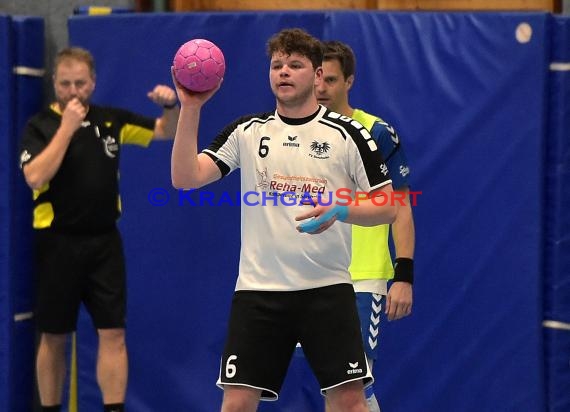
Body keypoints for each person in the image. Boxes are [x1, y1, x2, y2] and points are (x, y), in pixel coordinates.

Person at [171, 28, 398, 411]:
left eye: (295, 64)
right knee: (238, 402)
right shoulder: (248, 131)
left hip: (327, 290)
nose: (284, 72)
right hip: (259, 293)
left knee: (349, 401)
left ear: (317, 75)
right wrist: (190, 108)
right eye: (277, 65)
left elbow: (387, 206)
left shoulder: (349, 134)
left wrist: (341, 209)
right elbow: (185, 178)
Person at [19, 46, 179, 412]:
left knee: (113, 332)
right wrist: (67, 128)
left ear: (92, 82)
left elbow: (163, 133)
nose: (73, 91)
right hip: (57, 243)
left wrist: (170, 107)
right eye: (64, 84)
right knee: (54, 335)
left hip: (104, 243)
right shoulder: (39, 126)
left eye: (80, 83)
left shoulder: (111, 120)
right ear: (55, 84)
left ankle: (114, 408)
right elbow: (35, 176)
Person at [314, 40, 415, 411]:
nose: (321, 88)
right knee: (334, 386)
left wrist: (403, 275)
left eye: (331, 80)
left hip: (361, 277)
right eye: (317, 78)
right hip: (307, 274)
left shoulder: (377, 132)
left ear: (350, 81)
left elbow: (400, 205)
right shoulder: (296, 132)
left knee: (350, 386)